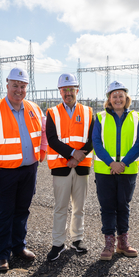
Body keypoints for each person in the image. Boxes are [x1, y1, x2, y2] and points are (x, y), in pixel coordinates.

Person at [0, 67, 47, 271]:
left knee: (22, 211)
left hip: (28, 170)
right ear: (7, 85)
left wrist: (41, 153)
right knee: (3, 213)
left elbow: (43, 132)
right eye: (15, 85)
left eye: (22, 86)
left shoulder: (34, 108)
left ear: (27, 87)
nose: (19, 89)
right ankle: (1, 254)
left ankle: (18, 247)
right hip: (3, 172)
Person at [92, 81, 139, 261]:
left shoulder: (136, 117)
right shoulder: (99, 118)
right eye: (114, 96)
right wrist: (111, 163)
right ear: (109, 99)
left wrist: (123, 163)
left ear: (126, 98)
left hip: (127, 170)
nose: (118, 99)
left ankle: (123, 243)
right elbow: (96, 143)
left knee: (123, 206)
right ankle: (109, 243)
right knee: (107, 207)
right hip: (105, 170)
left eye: (121, 95)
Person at [46, 73, 94, 261]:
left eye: (71, 90)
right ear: (60, 91)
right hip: (61, 166)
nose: (68, 93)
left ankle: (77, 239)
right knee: (60, 207)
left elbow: (92, 140)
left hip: (81, 167)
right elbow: (51, 139)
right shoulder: (52, 112)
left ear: (77, 90)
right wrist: (72, 154)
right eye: (64, 90)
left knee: (79, 207)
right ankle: (58, 243)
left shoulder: (89, 112)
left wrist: (78, 157)